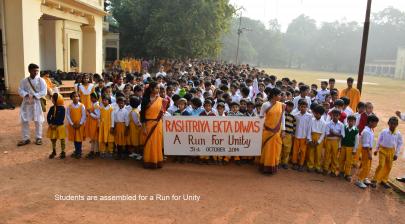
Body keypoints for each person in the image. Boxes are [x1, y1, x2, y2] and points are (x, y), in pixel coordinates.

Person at [17, 63, 47, 146]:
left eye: (37, 71)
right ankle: (26, 138)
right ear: (29, 70)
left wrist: (35, 95)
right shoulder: (24, 81)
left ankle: (38, 138)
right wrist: (26, 94)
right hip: (26, 103)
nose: (36, 72)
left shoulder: (41, 80)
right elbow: (20, 90)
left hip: (36, 103)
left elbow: (44, 91)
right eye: (34, 71)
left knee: (38, 120)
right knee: (24, 120)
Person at [259, 88, 285, 174]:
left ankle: (273, 167)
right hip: (267, 131)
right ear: (274, 95)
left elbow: (283, 118)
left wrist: (283, 130)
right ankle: (265, 167)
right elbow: (261, 117)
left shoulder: (281, 105)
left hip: (277, 131)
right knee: (267, 150)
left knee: (276, 149)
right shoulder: (265, 105)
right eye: (279, 95)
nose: (280, 97)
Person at [141, 81, 167, 169]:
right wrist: (144, 127)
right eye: (157, 88)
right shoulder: (145, 100)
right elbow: (142, 115)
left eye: (159, 88)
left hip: (158, 124)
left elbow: (162, 113)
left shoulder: (161, 100)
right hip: (148, 124)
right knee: (149, 143)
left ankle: (157, 161)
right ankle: (148, 162)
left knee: (157, 143)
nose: (158, 90)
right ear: (151, 89)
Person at [371, 117, 403, 189]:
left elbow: (400, 143)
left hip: (391, 151)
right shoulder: (384, 131)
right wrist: (376, 149)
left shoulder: (398, 134)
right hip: (383, 150)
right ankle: (374, 180)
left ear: (397, 125)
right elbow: (379, 140)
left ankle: (383, 180)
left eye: (394, 124)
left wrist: (396, 154)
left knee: (389, 166)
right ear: (388, 123)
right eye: (391, 123)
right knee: (381, 165)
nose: (392, 125)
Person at [355, 115, 379, 189]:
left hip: (369, 149)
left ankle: (364, 177)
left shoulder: (370, 130)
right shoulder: (366, 132)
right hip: (366, 150)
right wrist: (369, 154)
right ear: (370, 122)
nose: (376, 125)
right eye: (375, 123)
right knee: (365, 165)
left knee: (368, 165)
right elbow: (365, 145)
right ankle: (359, 180)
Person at [291, 99, 312, 171]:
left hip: (304, 136)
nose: (303, 108)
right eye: (301, 106)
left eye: (304, 107)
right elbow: (294, 125)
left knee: (303, 151)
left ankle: (301, 164)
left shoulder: (309, 116)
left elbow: (309, 128)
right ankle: (294, 162)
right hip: (297, 135)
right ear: (299, 107)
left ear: (307, 107)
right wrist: (293, 134)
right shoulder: (296, 115)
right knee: (295, 150)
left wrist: (308, 137)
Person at [323, 109, 345, 176]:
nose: (335, 117)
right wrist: (336, 134)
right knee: (327, 155)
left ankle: (333, 170)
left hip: (336, 141)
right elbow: (327, 134)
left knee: (335, 156)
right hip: (329, 141)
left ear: (339, 116)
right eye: (334, 115)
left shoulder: (341, 125)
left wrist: (333, 133)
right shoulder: (328, 124)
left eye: (337, 116)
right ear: (331, 115)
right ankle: (325, 169)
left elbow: (343, 135)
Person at [338, 115, 359, 182]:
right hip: (343, 146)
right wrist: (339, 146)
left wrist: (354, 149)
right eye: (349, 121)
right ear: (347, 121)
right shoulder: (344, 128)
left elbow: (356, 141)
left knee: (349, 161)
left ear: (355, 122)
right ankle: (341, 171)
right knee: (341, 159)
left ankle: (347, 174)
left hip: (350, 148)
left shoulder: (356, 130)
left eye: (352, 121)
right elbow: (341, 138)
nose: (351, 122)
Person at [66, 92, 86, 159]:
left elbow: (83, 115)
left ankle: (79, 151)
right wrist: (72, 124)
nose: (75, 98)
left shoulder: (82, 106)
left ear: (79, 97)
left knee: (79, 138)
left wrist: (80, 123)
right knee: (75, 138)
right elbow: (68, 116)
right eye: (74, 96)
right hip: (73, 126)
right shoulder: (69, 106)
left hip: (80, 125)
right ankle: (77, 150)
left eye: (77, 96)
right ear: (71, 98)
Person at [307, 105, 326, 173]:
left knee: (318, 153)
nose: (314, 114)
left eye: (315, 113)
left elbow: (323, 134)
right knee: (311, 152)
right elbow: (309, 130)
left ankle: (317, 166)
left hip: (319, 138)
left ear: (319, 114)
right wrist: (309, 140)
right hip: (312, 136)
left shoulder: (324, 122)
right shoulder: (311, 120)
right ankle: (310, 166)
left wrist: (319, 141)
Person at [47, 93, 66, 159]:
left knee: (62, 139)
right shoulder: (52, 108)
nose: (52, 100)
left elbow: (61, 118)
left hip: (60, 126)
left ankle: (63, 152)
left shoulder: (62, 108)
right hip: (52, 126)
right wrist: (50, 124)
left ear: (57, 100)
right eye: (52, 99)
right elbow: (48, 116)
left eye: (53, 99)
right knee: (53, 139)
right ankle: (54, 151)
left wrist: (56, 124)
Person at [280, 101, 296, 169]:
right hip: (281, 133)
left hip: (289, 134)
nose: (290, 108)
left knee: (287, 149)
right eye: (289, 106)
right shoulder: (281, 114)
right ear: (285, 107)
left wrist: (293, 133)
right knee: (280, 148)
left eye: (292, 107)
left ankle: (285, 162)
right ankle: (278, 162)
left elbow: (294, 125)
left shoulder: (293, 116)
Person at [85, 93, 100, 159]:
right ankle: (92, 151)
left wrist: (90, 112)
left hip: (95, 123)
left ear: (96, 98)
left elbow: (97, 116)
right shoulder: (93, 104)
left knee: (95, 138)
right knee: (93, 138)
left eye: (92, 97)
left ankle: (96, 152)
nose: (91, 99)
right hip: (92, 123)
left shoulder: (97, 105)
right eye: (91, 97)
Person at [128, 96, 143, 161]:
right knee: (136, 141)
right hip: (136, 128)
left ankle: (139, 154)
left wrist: (139, 125)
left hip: (135, 129)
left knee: (136, 142)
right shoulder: (137, 110)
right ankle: (136, 153)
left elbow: (136, 121)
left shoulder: (134, 112)